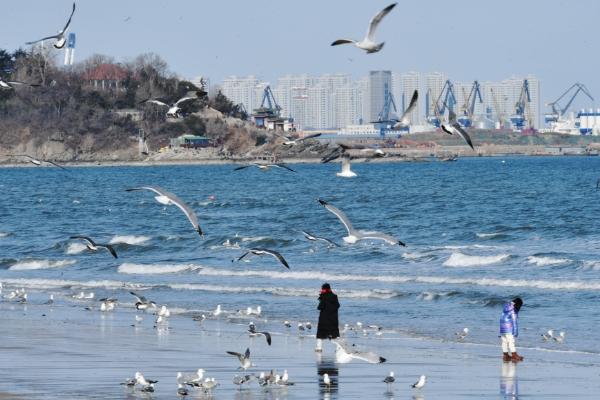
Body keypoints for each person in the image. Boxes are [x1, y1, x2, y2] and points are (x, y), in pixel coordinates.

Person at [316, 283, 340, 352]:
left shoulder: (323, 297)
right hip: (333, 319)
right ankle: (338, 348)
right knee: (334, 334)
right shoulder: (335, 296)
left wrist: (320, 298)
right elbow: (338, 306)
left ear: (324, 289)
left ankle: (319, 348)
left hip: (324, 319)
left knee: (320, 333)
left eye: (322, 289)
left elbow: (320, 307)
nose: (321, 290)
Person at [499, 297, 524, 362]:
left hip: (502, 326)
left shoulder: (506, 306)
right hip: (509, 328)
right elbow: (514, 322)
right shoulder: (513, 311)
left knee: (504, 341)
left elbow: (502, 316)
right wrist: (515, 332)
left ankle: (505, 355)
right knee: (511, 341)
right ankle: (514, 355)